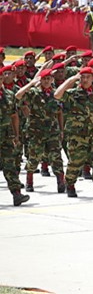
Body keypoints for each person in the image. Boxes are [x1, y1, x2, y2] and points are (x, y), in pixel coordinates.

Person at [54, 67, 93, 199]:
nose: (85, 80)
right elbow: (57, 95)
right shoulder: (73, 93)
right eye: (82, 77)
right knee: (75, 162)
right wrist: (71, 80)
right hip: (78, 136)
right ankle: (70, 185)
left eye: (88, 77)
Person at [16, 68, 66, 193]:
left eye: (49, 79)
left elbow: (60, 113)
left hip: (52, 131)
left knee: (56, 157)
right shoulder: (34, 93)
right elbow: (18, 96)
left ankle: (61, 181)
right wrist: (32, 83)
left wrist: (61, 129)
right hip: (36, 131)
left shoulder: (56, 94)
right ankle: (29, 181)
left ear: (52, 80)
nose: (46, 81)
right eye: (44, 79)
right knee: (34, 157)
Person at [0, 66, 30, 206]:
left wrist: (16, 134)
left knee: (9, 165)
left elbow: (14, 116)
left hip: (6, 136)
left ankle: (16, 194)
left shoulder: (9, 95)